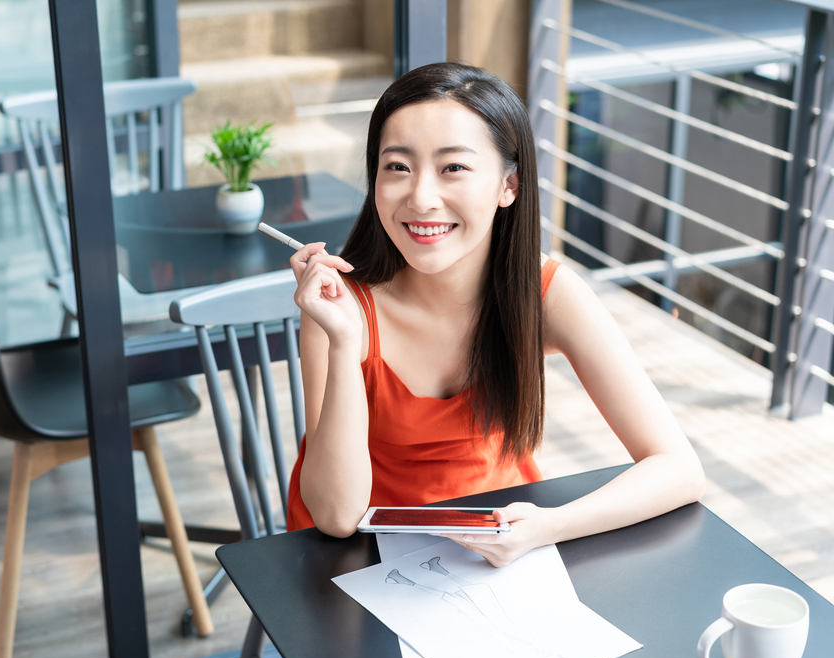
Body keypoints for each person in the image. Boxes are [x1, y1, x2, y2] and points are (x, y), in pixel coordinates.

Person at [286, 62, 705, 567]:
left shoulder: (548, 292)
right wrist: (344, 341)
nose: (421, 198)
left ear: (509, 186)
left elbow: (679, 468)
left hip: (502, 541)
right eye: (397, 166)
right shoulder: (340, 307)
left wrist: (547, 526)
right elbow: (337, 515)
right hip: (364, 559)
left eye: (453, 168)